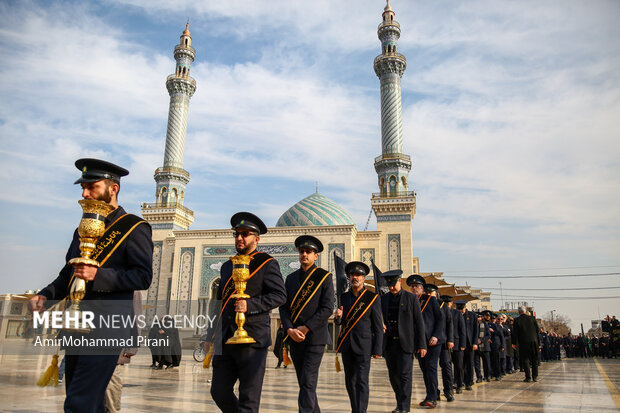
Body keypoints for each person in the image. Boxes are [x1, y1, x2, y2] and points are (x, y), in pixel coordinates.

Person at [28, 158, 153, 412]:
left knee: (79, 403)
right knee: (87, 401)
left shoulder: (135, 228)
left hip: (106, 329)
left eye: (91, 187)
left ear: (113, 188)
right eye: (82, 188)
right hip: (76, 327)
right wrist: (45, 296)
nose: (84, 194)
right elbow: (68, 275)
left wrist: (99, 275)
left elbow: (142, 277)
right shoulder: (81, 229)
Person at [207, 212, 287, 413]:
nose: (240, 238)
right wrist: (210, 334)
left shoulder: (267, 263)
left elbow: (280, 295)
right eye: (237, 234)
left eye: (245, 234)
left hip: (252, 339)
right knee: (219, 391)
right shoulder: (227, 266)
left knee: (249, 399)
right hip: (225, 339)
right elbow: (219, 303)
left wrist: (249, 305)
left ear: (256, 239)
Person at [279, 235, 334, 413]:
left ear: (315, 256)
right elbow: (284, 308)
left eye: (309, 252)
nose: (305, 254)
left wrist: (306, 327)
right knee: (304, 382)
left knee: (308, 382)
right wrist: (289, 329)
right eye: (302, 251)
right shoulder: (291, 278)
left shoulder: (324, 277)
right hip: (295, 338)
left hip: (315, 338)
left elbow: (327, 308)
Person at [334, 261, 383, 413]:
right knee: (350, 381)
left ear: (363, 278)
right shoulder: (344, 297)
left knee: (362, 381)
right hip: (347, 345)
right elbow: (340, 322)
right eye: (352, 275)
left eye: (358, 275)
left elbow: (378, 327)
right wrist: (337, 318)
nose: (355, 277)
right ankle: (355, 409)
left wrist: (378, 349)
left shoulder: (372, 298)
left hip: (364, 347)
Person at [382, 272, 427, 413]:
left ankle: (404, 406)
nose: (391, 288)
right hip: (389, 344)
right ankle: (399, 402)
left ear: (399, 281)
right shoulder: (383, 299)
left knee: (405, 376)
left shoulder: (411, 298)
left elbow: (419, 323)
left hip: (405, 344)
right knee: (393, 376)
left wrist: (422, 344)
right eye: (389, 285)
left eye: (393, 284)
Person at [408, 276, 443, 409]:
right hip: (419, 342)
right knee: (425, 370)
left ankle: (432, 397)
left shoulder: (430, 300)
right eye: (412, 286)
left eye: (416, 286)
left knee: (430, 368)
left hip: (432, 341)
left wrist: (436, 335)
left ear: (422, 288)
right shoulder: (411, 301)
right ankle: (431, 394)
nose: (414, 288)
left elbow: (440, 320)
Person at [512, 306, 540, 382]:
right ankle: (535, 376)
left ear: (519, 312)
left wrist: (514, 343)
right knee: (534, 360)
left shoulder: (517, 320)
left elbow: (515, 333)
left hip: (523, 342)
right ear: (525, 311)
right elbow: (537, 331)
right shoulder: (532, 318)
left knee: (525, 359)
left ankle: (528, 377)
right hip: (533, 342)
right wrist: (539, 343)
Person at [447, 297, 466, 395]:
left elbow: (462, 330)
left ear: (451, 303)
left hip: (457, 344)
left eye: (448, 302)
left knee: (459, 366)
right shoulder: (441, 313)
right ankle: (450, 384)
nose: (447, 304)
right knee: (447, 366)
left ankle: (459, 384)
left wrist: (463, 344)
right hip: (446, 344)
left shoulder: (457, 313)